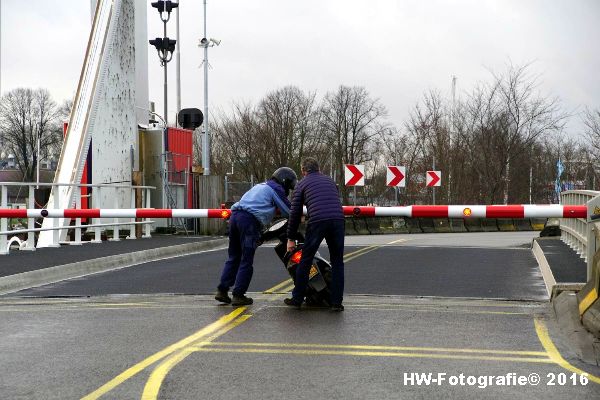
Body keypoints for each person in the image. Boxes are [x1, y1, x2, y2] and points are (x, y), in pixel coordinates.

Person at [215, 167, 297, 306]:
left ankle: (222, 290)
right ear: (285, 180)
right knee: (246, 259)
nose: (289, 189)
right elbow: (288, 210)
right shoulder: (275, 188)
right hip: (249, 221)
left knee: (234, 257)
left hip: (235, 217)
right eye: (289, 185)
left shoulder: (260, 185)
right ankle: (238, 295)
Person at [285, 157, 345, 311]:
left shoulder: (302, 184)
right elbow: (330, 201)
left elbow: (294, 212)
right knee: (337, 261)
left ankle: (297, 298)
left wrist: (290, 238)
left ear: (303, 171)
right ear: (319, 169)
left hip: (318, 220)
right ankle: (336, 303)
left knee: (306, 259)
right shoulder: (330, 181)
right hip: (338, 220)